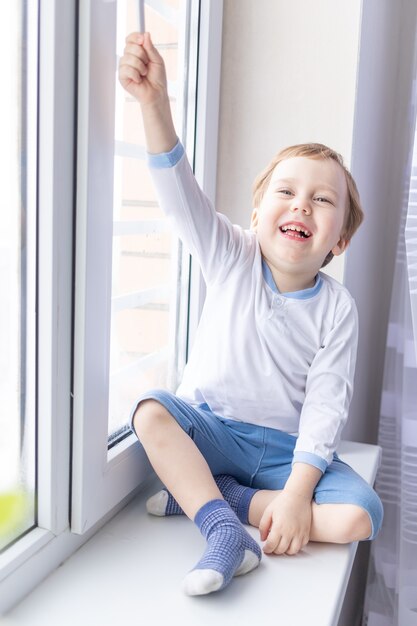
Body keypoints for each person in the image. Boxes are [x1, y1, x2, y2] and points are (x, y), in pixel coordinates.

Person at [118, 31, 383, 597]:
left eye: (322, 200)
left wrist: (295, 494)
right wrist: (154, 104)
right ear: (257, 210)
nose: (301, 205)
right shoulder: (231, 254)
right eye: (286, 192)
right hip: (214, 429)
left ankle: (223, 496)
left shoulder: (338, 309)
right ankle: (222, 526)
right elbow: (177, 192)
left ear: (339, 240)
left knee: (360, 517)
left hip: (286, 456)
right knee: (150, 412)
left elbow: (326, 405)